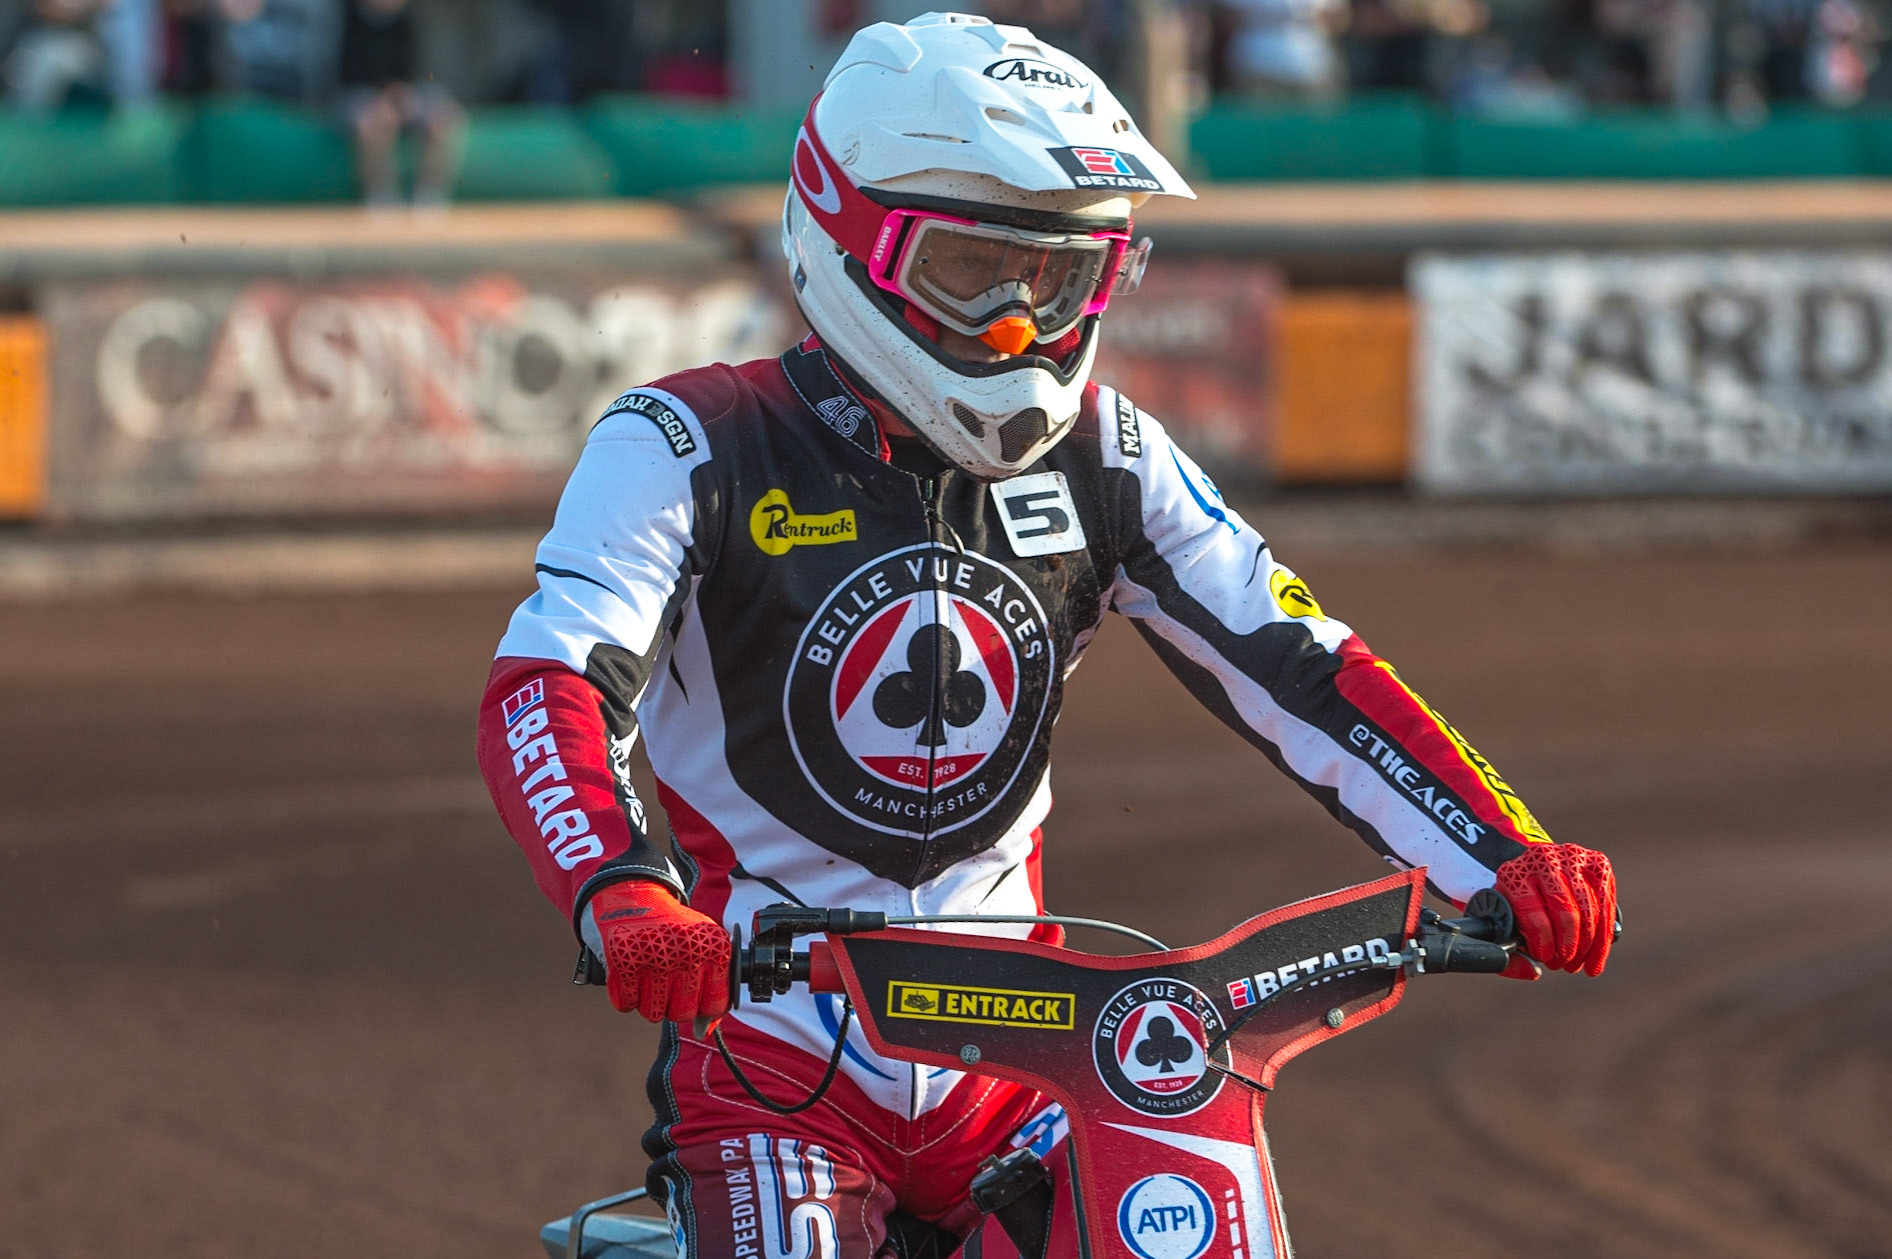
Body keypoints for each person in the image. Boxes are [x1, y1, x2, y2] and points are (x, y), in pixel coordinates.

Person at [475, 13, 1619, 1258]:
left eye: (1062, 279)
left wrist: (1502, 852)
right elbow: (555, 679)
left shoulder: (1108, 453)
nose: (1024, 325)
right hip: (772, 1053)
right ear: (853, 240)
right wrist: (621, 885)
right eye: (976, 273)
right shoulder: (689, 442)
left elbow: (1300, 661)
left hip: (1029, 1054)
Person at [336, 0, 460, 207]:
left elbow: (426, 74)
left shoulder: (413, 18)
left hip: (404, 94)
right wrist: (383, 97)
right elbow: (342, 74)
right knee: (375, 118)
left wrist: (404, 94)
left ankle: (429, 200)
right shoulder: (343, 16)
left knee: (443, 114)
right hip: (362, 97)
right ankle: (380, 198)